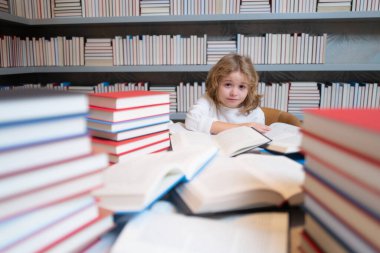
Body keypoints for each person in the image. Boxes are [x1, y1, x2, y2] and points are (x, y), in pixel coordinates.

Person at [185, 53, 271, 134]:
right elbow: (191, 120)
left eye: (241, 87)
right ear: (215, 84)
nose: (234, 93)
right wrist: (243, 127)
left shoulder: (255, 113)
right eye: (228, 85)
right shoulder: (208, 99)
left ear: (250, 89)